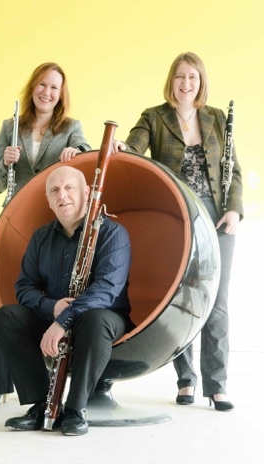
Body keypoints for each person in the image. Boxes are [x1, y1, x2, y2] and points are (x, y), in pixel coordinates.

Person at [113, 51, 244, 412]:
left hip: (217, 218)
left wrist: (234, 210)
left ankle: (217, 385)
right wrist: (123, 147)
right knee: (182, 302)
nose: (186, 84)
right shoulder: (154, 117)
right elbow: (134, 145)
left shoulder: (216, 118)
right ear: (171, 80)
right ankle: (186, 381)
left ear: (201, 82)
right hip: (179, 218)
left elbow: (234, 170)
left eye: (193, 78)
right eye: (180, 77)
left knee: (216, 303)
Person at [0, 62, 91, 407]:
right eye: (42, 85)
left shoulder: (72, 127)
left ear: (61, 95)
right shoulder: (11, 127)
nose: (47, 92)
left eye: (54, 88)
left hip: (48, 223)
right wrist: (6, 163)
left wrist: (76, 153)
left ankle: (46, 379)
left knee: (43, 291)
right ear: (33, 88)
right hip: (13, 220)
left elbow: (87, 158)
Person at [0, 165, 134, 435]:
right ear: (48, 199)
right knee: (7, 317)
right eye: (55, 190)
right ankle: (40, 404)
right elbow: (24, 287)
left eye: (70, 188)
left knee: (96, 318)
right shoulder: (40, 237)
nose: (63, 195)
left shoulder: (112, 233)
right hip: (54, 315)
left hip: (102, 318)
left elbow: (107, 289)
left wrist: (63, 320)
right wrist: (53, 306)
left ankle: (75, 409)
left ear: (87, 192)